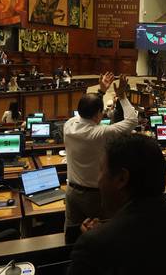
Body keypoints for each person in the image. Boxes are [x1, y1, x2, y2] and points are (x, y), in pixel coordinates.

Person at [68, 134, 166, 275]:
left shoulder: (92, 245)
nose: (98, 180)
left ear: (122, 178)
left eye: (100, 170)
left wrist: (98, 237)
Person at [64, 73, 138, 234]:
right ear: (98, 113)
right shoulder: (101, 133)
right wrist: (122, 96)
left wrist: (101, 91)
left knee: (72, 233)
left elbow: (88, 109)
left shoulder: (68, 125)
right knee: (101, 234)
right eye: (101, 111)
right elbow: (132, 120)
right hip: (95, 196)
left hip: (72, 193)